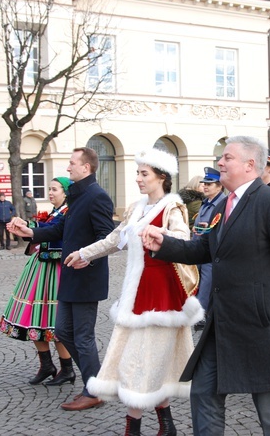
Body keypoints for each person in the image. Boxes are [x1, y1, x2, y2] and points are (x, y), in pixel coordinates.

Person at [141, 135, 270, 435]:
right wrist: (164, 243)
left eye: (228, 157)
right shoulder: (226, 203)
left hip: (261, 324)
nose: (220, 162)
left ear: (250, 165)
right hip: (222, 323)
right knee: (204, 393)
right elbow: (205, 249)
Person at [65, 148, 203, 435]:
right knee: (146, 361)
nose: (138, 179)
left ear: (161, 177)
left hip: (160, 296)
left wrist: (159, 235)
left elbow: (183, 239)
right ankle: (166, 425)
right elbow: (115, 239)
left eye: (144, 174)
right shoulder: (137, 207)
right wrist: (84, 254)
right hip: (135, 294)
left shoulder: (172, 207)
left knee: (139, 362)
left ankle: (134, 428)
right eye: (138, 173)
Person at [8, 147, 114, 412]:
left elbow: (107, 238)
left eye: (71, 163)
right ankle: (96, 382)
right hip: (69, 277)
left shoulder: (97, 197)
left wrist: (86, 257)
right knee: (64, 331)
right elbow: (59, 229)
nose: (68, 168)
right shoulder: (77, 197)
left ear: (86, 168)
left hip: (86, 278)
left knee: (83, 336)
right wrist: (29, 231)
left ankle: (94, 389)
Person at [0, 178, 75, 387]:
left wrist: (29, 226)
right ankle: (47, 365)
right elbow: (45, 228)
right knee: (35, 318)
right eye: (49, 189)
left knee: (54, 321)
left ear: (66, 192)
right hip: (40, 269)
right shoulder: (55, 212)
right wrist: (25, 226)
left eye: (54, 189)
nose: (50, 193)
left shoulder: (68, 212)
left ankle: (67, 369)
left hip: (55, 272)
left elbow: (53, 232)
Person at [192, 167, 226, 318]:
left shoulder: (223, 203)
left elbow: (222, 227)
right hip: (199, 249)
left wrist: (208, 229)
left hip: (211, 251)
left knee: (207, 283)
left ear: (219, 186)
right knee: (198, 282)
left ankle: (201, 313)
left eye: (209, 184)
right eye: (204, 183)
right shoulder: (206, 202)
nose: (205, 186)